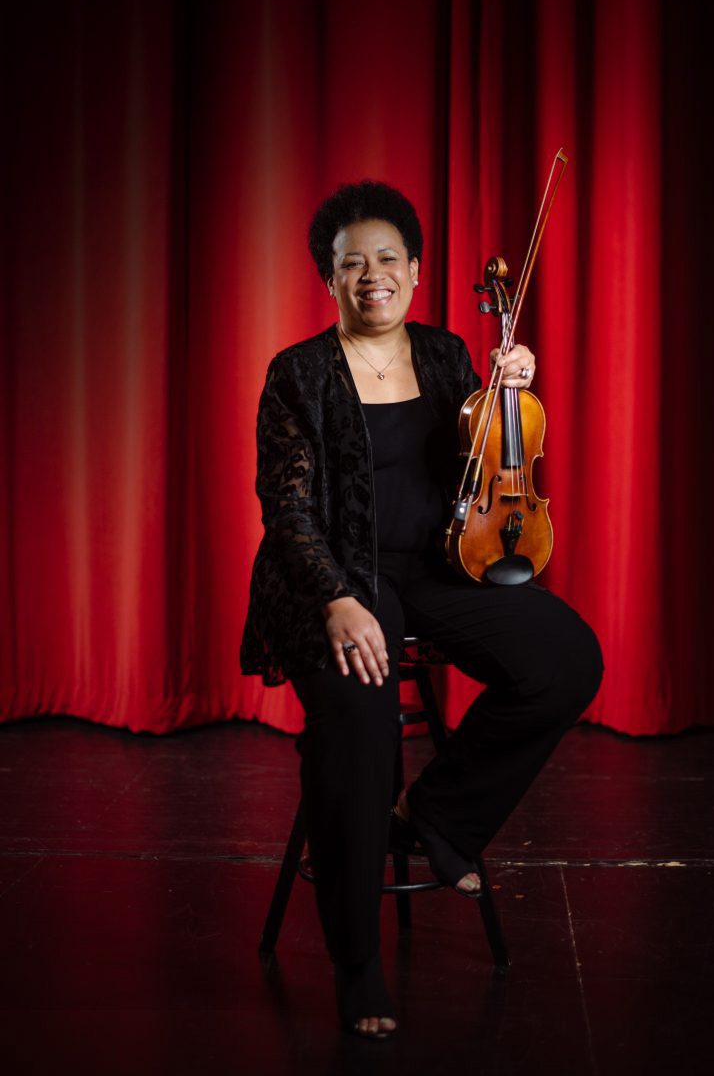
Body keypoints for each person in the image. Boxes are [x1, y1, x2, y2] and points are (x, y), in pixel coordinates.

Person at [241, 180, 603, 1040]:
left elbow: (479, 465)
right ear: (329, 278)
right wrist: (335, 599)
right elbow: (286, 510)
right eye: (351, 263)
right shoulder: (297, 372)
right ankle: (356, 958)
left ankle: (435, 817)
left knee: (566, 658)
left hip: (443, 566)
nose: (373, 276)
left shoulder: (446, 356)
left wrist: (509, 390)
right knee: (361, 721)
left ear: (415, 267)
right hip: (334, 575)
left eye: (388, 259)